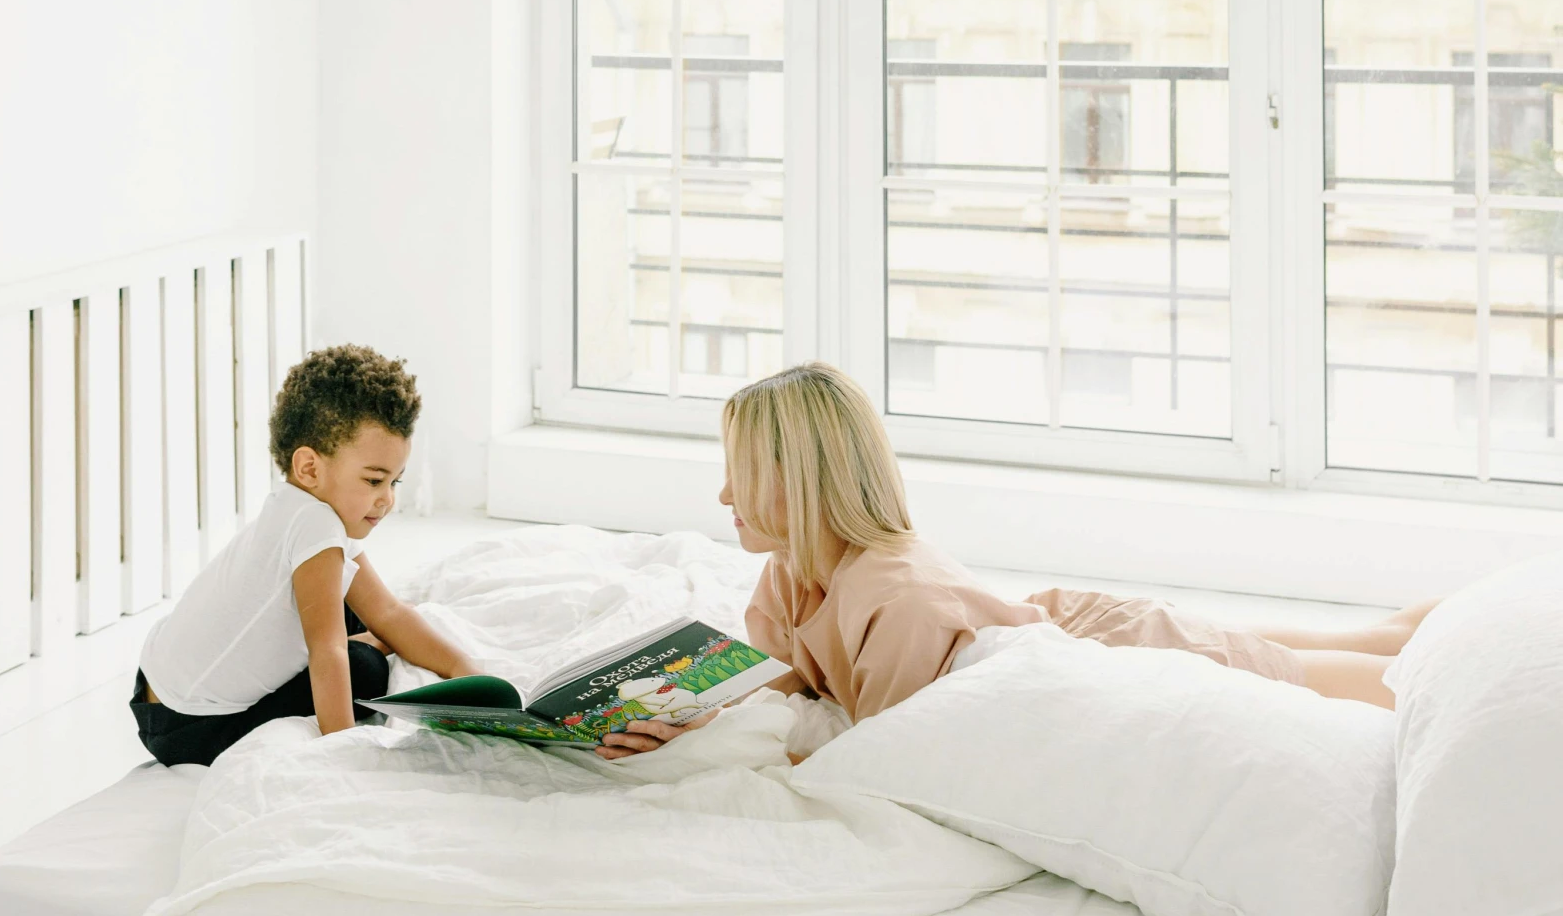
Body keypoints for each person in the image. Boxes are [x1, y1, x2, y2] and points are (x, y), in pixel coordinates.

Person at [600, 360, 1433, 756]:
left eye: (740, 477)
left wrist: (745, 757)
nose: (722, 498)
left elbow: (885, 752)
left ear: (804, 480)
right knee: (1374, 637)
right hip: (1070, 615)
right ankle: (1446, 621)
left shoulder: (896, 599)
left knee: (1396, 681)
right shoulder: (791, 574)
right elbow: (789, 674)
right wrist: (693, 716)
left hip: (1121, 651)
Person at [132, 343, 476, 765]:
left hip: (154, 689)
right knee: (365, 669)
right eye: (373, 481)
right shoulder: (317, 528)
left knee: (359, 607)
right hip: (191, 727)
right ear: (310, 467)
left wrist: (465, 670)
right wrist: (345, 753)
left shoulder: (295, 505)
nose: (386, 500)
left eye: (395, 483)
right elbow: (329, 652)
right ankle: (372, 648)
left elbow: (387, 611)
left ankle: (379, 642)